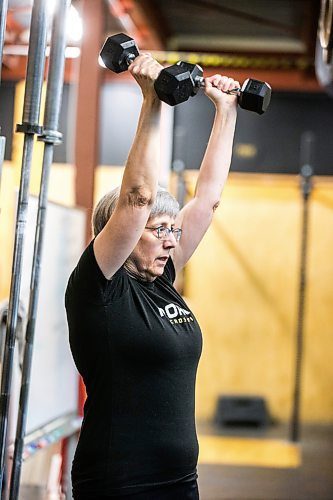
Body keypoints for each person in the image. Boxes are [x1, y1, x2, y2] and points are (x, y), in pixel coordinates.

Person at [65, 53, 238, 500]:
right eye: (160, 230)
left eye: (173, 230)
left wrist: (226, 111)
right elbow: (138, 197)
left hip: (181, 482)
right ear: (119, 234)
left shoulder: (161, 281)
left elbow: (208, 198)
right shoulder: (98, 287)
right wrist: (153, 99)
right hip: (119, 483)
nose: (171, 239)